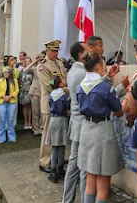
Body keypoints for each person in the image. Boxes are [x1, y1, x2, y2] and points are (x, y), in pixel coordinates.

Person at [77, 52, 124, 203]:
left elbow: (94, 89)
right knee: (103, 184)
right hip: (102, 131)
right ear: (98, 66)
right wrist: (128, 98)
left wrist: (108, 77)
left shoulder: (80, 87)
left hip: (86, 130)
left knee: (90, 179)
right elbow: (118, 111)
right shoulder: (105, 88)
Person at [62, 42, 89, 203]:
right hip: (82, 125)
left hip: (76, 123)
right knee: (83, 167)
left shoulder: (74, 70)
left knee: (73, 165)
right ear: (80, 55)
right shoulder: (82, 73)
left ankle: (68, 199)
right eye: (88, 50)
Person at [38, 40, 67, 173]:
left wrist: (61, 84)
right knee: (48, 134)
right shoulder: (42, 66)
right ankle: (45, 160)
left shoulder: (59, 63)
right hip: (50, 103)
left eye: (57, 51)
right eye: (53, 51)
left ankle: (58, 158)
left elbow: (63, 78)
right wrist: (58, 83)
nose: (56, 53)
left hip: (61, 101)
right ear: (47, 51)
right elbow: (48, 84)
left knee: (60, 132)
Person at [46, 76, 70, 183]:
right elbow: (67, 108)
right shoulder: (64, 96)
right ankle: (59, 168)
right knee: (61, 145)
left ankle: (53, 171)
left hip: (53, 120)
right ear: (61, 84)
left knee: (54, 146)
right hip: (62, 120)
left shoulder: (50, 95)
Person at [0, 66, 19, 144]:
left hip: (11, 101)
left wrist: (10, 96)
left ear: (10, 73)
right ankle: (1, 138)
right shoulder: (0, 81)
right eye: (5, 72)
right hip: (1, 101)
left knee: (10, 119)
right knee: (2, 119)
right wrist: (3, 96)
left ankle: (11, 137)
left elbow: (17, 90)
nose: (6, 74)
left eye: (7, 72)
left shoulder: (14, 81)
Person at [23, 54, 44, 135]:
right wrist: (34, 62)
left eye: (42, 59)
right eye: (40, 59)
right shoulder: (34, 68)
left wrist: (50, 85)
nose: (41, 61)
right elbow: (25, 70)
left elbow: (51, 80)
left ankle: (41, 127)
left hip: (43, 92)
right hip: (35, 91)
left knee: (42, 111)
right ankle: (35, 128)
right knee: (35, 111)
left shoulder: (46, 68)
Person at [19, 56, 33, 130]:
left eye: (29, 61)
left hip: (30, 90)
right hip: (24, 90)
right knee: (25, 106)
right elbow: (19, 80)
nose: (28, 62)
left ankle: (30, 122)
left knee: (30, 106)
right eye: (27, 61)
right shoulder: (22, 70)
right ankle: (25, 122)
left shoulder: (33, 70)